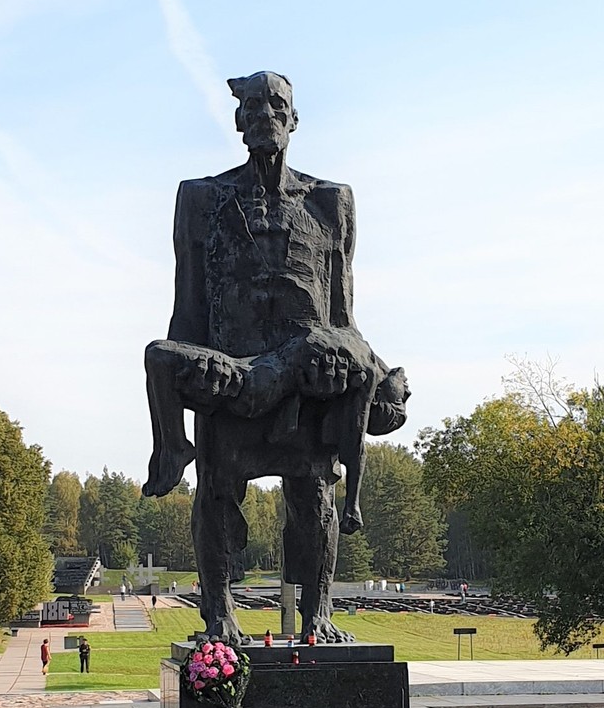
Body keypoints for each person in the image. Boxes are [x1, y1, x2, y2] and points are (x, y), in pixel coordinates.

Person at [143, 72, 408, 645]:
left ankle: (318, 617)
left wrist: (378, 375)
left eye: (277, 104)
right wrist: (185, 382)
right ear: (238, 121)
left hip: (308, 384)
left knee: (313, 497)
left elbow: (343, 317)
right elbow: (187, 308)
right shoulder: (202, 199)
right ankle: (218, 613)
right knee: (216, 489)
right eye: (254, 105)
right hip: (232, 378)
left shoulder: (330, 202)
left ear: (293, 119)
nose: (265, 113)